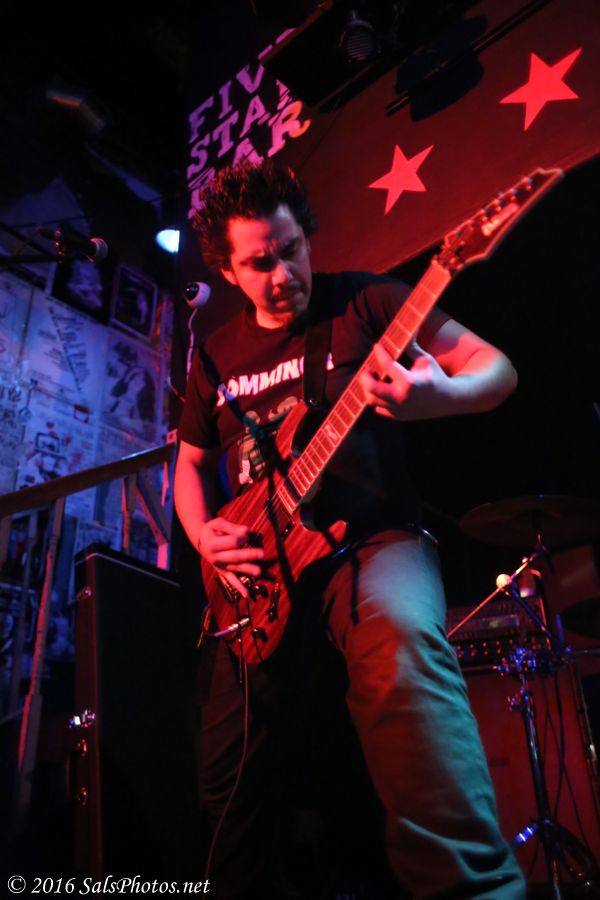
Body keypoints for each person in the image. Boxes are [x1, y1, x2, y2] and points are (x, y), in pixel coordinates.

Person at [174, 160, 526, 899]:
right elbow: (190, 466)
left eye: (292, 250)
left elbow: (495, 369)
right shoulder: (215, 355)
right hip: (257, 571)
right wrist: (203, 534)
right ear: (228, 271)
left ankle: (476, 887)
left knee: (401, 643)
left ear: (306, 237)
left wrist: (437, 396)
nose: (283, 274)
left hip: (370, 539)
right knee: (225, 767)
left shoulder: (366, 302)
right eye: (260, 263)